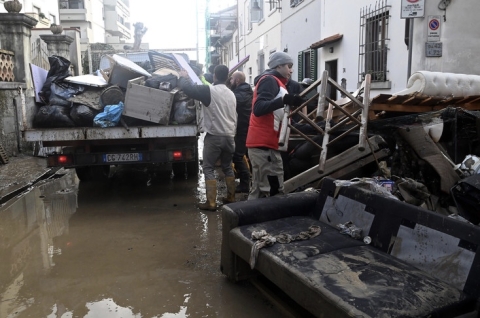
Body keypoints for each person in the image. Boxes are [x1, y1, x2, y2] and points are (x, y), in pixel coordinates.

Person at [246, 52, 305, 200]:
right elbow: (258, 108)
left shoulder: (278, 83)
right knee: (269, 192)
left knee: (262, 190)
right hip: (264, 146)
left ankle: (252, 221)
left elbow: (279, 117)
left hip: (267, 146)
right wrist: (284, 100)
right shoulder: (269, 80)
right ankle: (261, 222)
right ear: (278, 66)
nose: (291, 70)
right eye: (289, 66)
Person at [178, 65, 238, 211]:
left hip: (215, 137)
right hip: (230, 136)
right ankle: (231, 197)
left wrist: (183, 76)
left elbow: (189, 90)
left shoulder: (209, 91)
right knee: (227, 167)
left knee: (208, 168)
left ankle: (211, 203)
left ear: (215, 76)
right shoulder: (231, 93)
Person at [229, 71, 253, 193]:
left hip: (243, 128)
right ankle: (250, 181)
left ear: (238, 80)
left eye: (232, 79)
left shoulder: (239, 94)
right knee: (247, 155)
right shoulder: (246, 90)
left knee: (237, 157)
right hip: (246, 127)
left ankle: (245, 184)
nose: (230, 81)